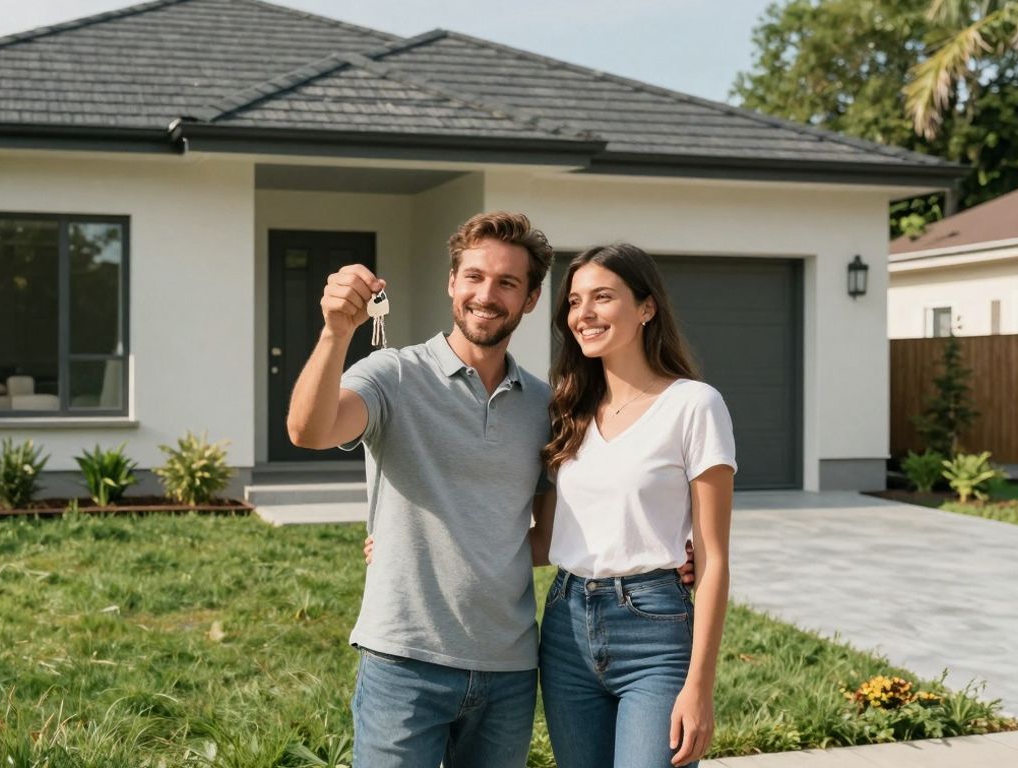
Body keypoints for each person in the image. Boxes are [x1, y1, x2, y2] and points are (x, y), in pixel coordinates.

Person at [286, 211, 555, 768]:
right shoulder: (392, 375)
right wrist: (337, 331)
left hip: (508, 669)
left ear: (530, 299)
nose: (487, 294)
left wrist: (671, 555)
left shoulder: (544, 405)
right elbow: (308, 430)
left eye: (508, 282)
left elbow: (551, 538)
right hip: (404, 661)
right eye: (475, 277)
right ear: (452, 283)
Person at [536, 243, 734, 768]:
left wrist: (700, 687)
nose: (585, 314)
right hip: (564, 625)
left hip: (654, 630)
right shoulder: (566, 407)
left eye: (603, 297)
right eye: (575, 302)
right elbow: (541, 537)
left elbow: (712, 559)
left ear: (647, 308)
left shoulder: (694, 405)